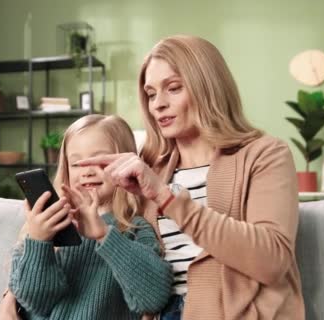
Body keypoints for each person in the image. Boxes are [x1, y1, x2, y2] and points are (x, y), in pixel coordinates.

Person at [75, 35, 305, 319]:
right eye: (150, 93)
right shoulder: (147, 166)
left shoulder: (265, 155)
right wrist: (13, 297)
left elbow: (272, 260)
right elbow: (94, 234)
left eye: (173, 88)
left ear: (208, 87)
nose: (157, 104)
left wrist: (166, 197)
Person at [4, 114, 173, 320]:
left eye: (99, 161)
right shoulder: (47, 226)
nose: (86, 172)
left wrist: (105, 235)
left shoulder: (134, 229)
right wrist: (38, 241)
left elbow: (153, 297)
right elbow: (35, 302)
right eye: (76, 164)